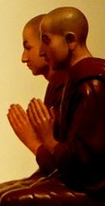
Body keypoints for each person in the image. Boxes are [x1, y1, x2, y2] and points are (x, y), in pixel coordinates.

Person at [0, 7, 105, 206]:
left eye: (46, 41)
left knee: (5, 203)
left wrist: (45, 140)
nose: (41, 51)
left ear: (70, 40)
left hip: (101, 195)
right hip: (78, 183)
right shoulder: (74, 80)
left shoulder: (93, 83)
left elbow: (85, 168)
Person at [7, 13, 64, 166]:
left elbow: (67, 166)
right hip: (66, 177)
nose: (24, 58)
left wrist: (32, 140)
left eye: (28, 48)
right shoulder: (55, 85)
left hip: (86, 184)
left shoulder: (74, 85)